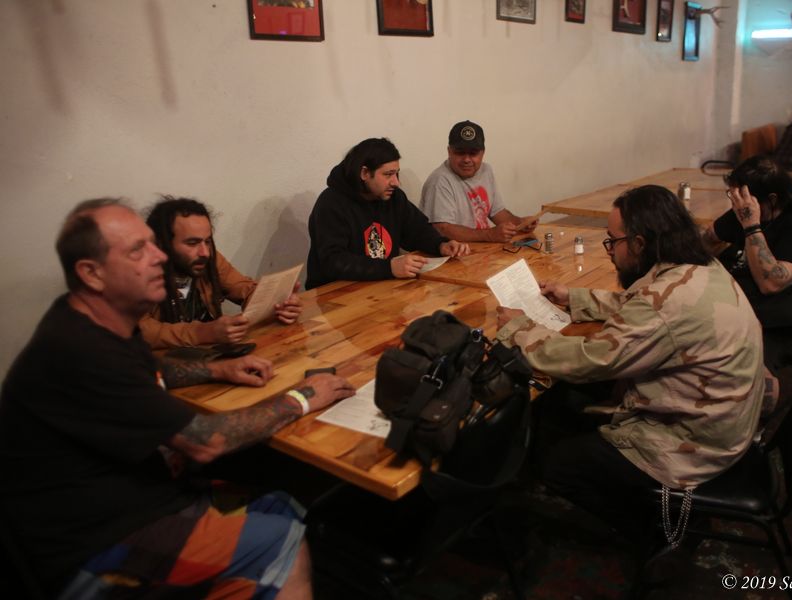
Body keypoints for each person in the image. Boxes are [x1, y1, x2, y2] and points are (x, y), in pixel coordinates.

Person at [0, 199, 355, 599]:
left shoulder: (97, 321)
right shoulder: (80, 349)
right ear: (91, 273)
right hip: (98, 540)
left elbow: (149, 368)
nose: (158, 257)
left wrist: (216, 370)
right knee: (280, 539)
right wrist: (302, 397)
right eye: (138, 250)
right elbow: (206, 440)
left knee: (279, 504)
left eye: (153, 245)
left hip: (144, 496)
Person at [495, 185, 765, 521]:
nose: (609, 250)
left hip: (693, 447)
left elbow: (591, 359)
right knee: (569, 403)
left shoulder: (665, 302)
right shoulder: (697, 267)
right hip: (724, 425)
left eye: (612, 240)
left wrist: (520, 329)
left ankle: (653, 530)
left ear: (638, 243)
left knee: (557, 463)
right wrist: (574, 298)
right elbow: (644, 305)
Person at [702, 156, 792, 370]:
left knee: (706, 339)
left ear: (771, 199)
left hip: (787, 325)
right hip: (750, 309)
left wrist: (751, 226)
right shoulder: (750, 209)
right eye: (733, 196)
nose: (737, 203)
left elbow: (771, 283)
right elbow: (709, 237)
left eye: (742, 197)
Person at [305, 137, 469, 289]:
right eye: (388, 174)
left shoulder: (394, 197)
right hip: (334, 295)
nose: (396, 182)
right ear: (364, 173)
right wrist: (389, 268)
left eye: (396, 173)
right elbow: (334, 262)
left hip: (380, 287)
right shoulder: (331, 204)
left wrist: (441, 245)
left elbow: (417, 231)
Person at [140, 196, 303, 349]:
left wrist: (279, 304)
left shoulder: (209, 260)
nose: (205, 252)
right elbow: (141, 330)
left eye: (207, 241)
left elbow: (244, 288)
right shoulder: (139, 273)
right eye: (192, 243)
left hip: (211, 356)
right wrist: (203, 332)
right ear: (162, 244)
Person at [420, 120, 538, 242]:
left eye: (473, 153)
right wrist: (490, 235)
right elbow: (442, 229)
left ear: (483, 153)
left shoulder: (486, 171)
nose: (466, 159)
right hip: (454, 251)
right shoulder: (439, 181)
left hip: (481, 248)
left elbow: (497, 212)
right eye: (460, 152)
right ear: (449, 152)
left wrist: (521, 223)